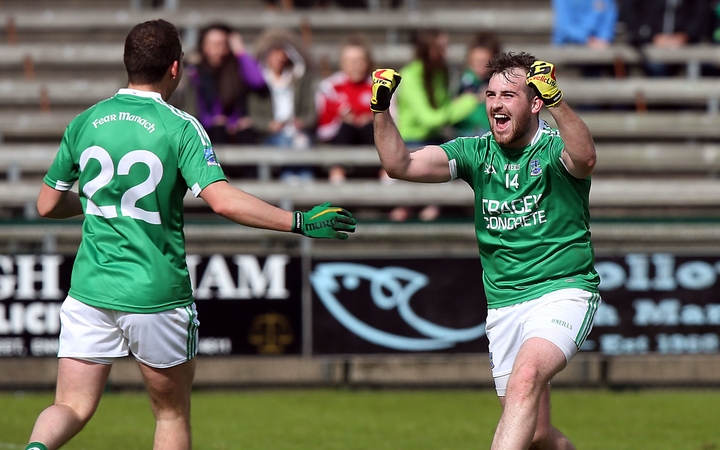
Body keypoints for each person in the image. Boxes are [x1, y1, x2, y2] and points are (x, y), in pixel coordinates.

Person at [24, 19, 355, 450]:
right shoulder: (179, 126)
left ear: (128, 64)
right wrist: (298, 222)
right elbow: (223, 200)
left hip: (90, 290)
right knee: (170, 412)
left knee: (70, 406)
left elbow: (47, 205)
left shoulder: (86, 121)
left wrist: (93, 202)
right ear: (175, 69)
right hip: (155, 293)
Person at [369, 53, 600, 449]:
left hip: (562, 291)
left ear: (535, 101)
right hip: (505, 304)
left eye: (509, 95)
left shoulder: (553, 148)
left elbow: (585, 158)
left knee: (525, 379)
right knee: (540, 434)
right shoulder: (476, 151)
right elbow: (400, 164)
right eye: (490, 94)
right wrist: (380, 109)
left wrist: (560, 102)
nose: (496, 103)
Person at [390, 29, 479, 221]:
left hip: (435, 137)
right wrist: (469, 101)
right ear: (427, 49)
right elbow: (430, 119)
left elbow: (444, 111)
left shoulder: (440, 72)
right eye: (441, 48)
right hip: (412, 140)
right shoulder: (411, 75)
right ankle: (421, 209)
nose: (446, 53)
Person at [170, 23, 266, 144]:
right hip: (206, 128)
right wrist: (212, 121)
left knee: (247, 133)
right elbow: (192, 109)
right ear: (203, 46)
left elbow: (257, 81)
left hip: (236, 130)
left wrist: (239, 50)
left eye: (222, 44)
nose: (218, 49)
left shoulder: (236, 69)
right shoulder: (194, 72)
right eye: (213, 44)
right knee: (218, 131)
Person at [248, 28, 317, 182]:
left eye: (282, 53)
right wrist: (268, 125)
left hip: (297, 132)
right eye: (274, 54)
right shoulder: (259, 84)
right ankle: (289, 183)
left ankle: (307, 189)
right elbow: (252, 115)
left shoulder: (300, 82)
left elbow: (311, 113)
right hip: (270, 136)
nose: (278, 58)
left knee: (303, 143)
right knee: (285, 143)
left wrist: (302, 122)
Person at [315, 34, 375, 183]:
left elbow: (394, 121)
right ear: (342, 63)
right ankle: (337, 184)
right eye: (350, 61)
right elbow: (323, 131)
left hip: (371, 141)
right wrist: (340, 119)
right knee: (346, 129)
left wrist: (372, 120)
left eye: (359, 60)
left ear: (367, 62)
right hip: (340, 142)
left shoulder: (380, 87)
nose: (354, 66)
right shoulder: (329, 88)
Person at [620, 0, 713, 76]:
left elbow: (702, 12)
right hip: (647, 44)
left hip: (686, 43)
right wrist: (652, 36)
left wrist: (686, 35)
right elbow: (629, 12)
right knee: (656, 65)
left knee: (705, 65)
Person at [455, 31, 502, 138]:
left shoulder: (498, 81)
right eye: (476, 61)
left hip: (490, 134)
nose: (480, 66)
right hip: (465, 134)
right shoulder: (462, 80)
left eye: (484, 61)